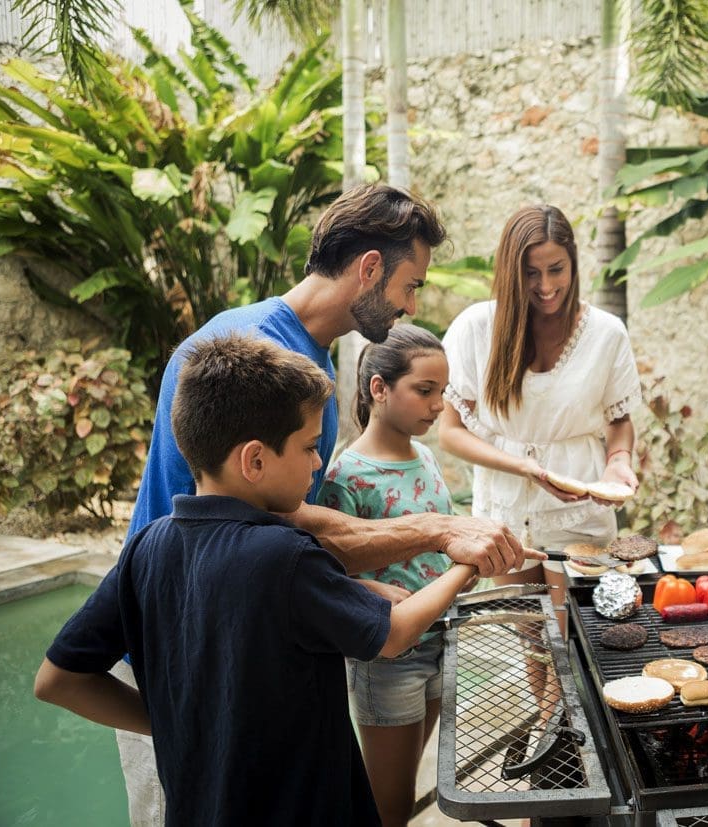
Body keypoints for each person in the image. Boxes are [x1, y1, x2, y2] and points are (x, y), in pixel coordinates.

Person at [114, 184, 538, 825]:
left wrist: (378, 590)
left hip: (240, 654)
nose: (411, 305)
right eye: (410, 285)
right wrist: (442, 532)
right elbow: (268, 526)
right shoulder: (245, 356)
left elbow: (288, 537)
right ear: (370, 268)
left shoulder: (313, 374)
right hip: (176, 656)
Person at [35, 333, 478, 827]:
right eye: (309, 446)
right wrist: (464, 562)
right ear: (255, 460)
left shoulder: (147, 546)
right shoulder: (286, 556)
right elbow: (393, 635)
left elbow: (58, 680)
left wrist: (171, 722)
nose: (317, 462)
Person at [438, 204, 642, 616]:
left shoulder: (606, 333)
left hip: (581, 509)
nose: (546, 285)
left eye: (556, 269)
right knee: (531, 639)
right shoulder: (476, 328)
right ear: (511, 271)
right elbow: (450, 431)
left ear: (574, 265)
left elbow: (619, 421)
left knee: (577, 634)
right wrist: (524, 468)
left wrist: (618, 461)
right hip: (505, 509)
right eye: (531, 272)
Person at [315, 325, 457, 826]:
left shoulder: (429, 458)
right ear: (379, 388)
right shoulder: (345, 477)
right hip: (389, 659)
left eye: (442, 392)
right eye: (425, 390)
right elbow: (324, 571)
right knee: (389, 804)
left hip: (444, 640)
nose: (438, 405)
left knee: (412, 772)